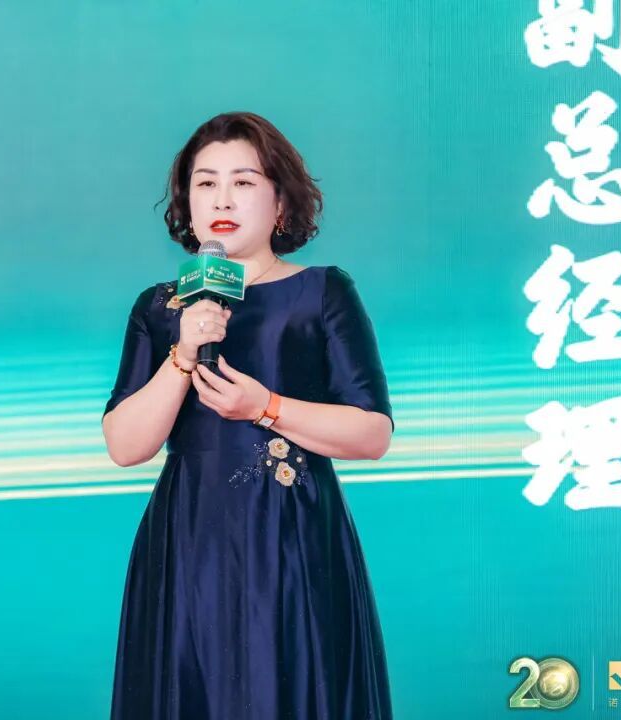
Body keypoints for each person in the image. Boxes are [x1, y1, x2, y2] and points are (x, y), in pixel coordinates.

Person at [101, 111, 396, 720]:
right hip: (190, 539)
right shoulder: (160, 308)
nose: (222, 199)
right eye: (205, 183)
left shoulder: (321, 292)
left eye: (243, 181)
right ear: (187, 203)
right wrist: (183, 354)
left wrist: (265, 407)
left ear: (280, 202)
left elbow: (372, 433)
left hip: (294, 537)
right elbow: (126, 446)